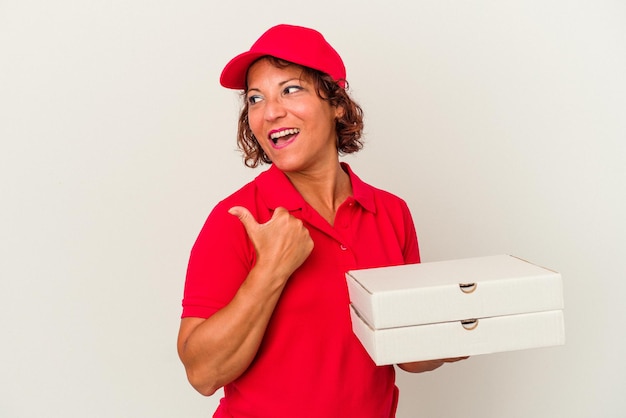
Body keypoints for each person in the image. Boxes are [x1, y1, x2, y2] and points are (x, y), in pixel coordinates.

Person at [177, 24, 466, 418]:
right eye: (255, 98)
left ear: (337, 104)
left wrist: (453, 336)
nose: (271, 110)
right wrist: (270, 271)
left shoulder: (391, 213)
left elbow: (408, 355)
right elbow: (203, 373)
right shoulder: (238, 218)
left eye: (290, 89)